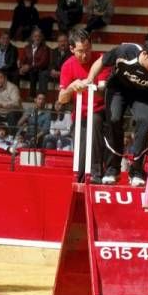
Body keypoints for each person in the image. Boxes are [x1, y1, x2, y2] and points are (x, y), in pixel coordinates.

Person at [83, 37, 148, 186]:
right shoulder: (125, 51)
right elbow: (100, 62)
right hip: (118, 88)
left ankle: (137, 171)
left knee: (146, 122)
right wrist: (90, 78)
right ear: (145, 54)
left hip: (143, 94)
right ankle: (112, 169)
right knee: (113, 119)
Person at [58, 29, 111, 182]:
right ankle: (81, 177)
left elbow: (104, 93)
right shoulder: (68, 65)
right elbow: (61, 98)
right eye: (80, 51)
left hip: (100, 111)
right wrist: (71, 87)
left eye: (87, 50)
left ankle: (95, 173)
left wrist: (89, 85)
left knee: (94, 122)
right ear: (72, 49)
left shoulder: (101, 60)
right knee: (81, 142)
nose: (85, 55)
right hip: (80, 114)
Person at [18, 28, 50, 99]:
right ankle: (15, 96)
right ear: (32, 37)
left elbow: (43, 63)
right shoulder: (27, 48)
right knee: (15, 72)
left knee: (33, 72)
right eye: (35, 36)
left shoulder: (45, 48)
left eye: (39, 36)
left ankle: (33, 96)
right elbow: (22, 59)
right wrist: (22, 67)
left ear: (41, 38)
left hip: (40, 70)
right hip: (28, 70)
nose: (37, 38)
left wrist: (29, 67)